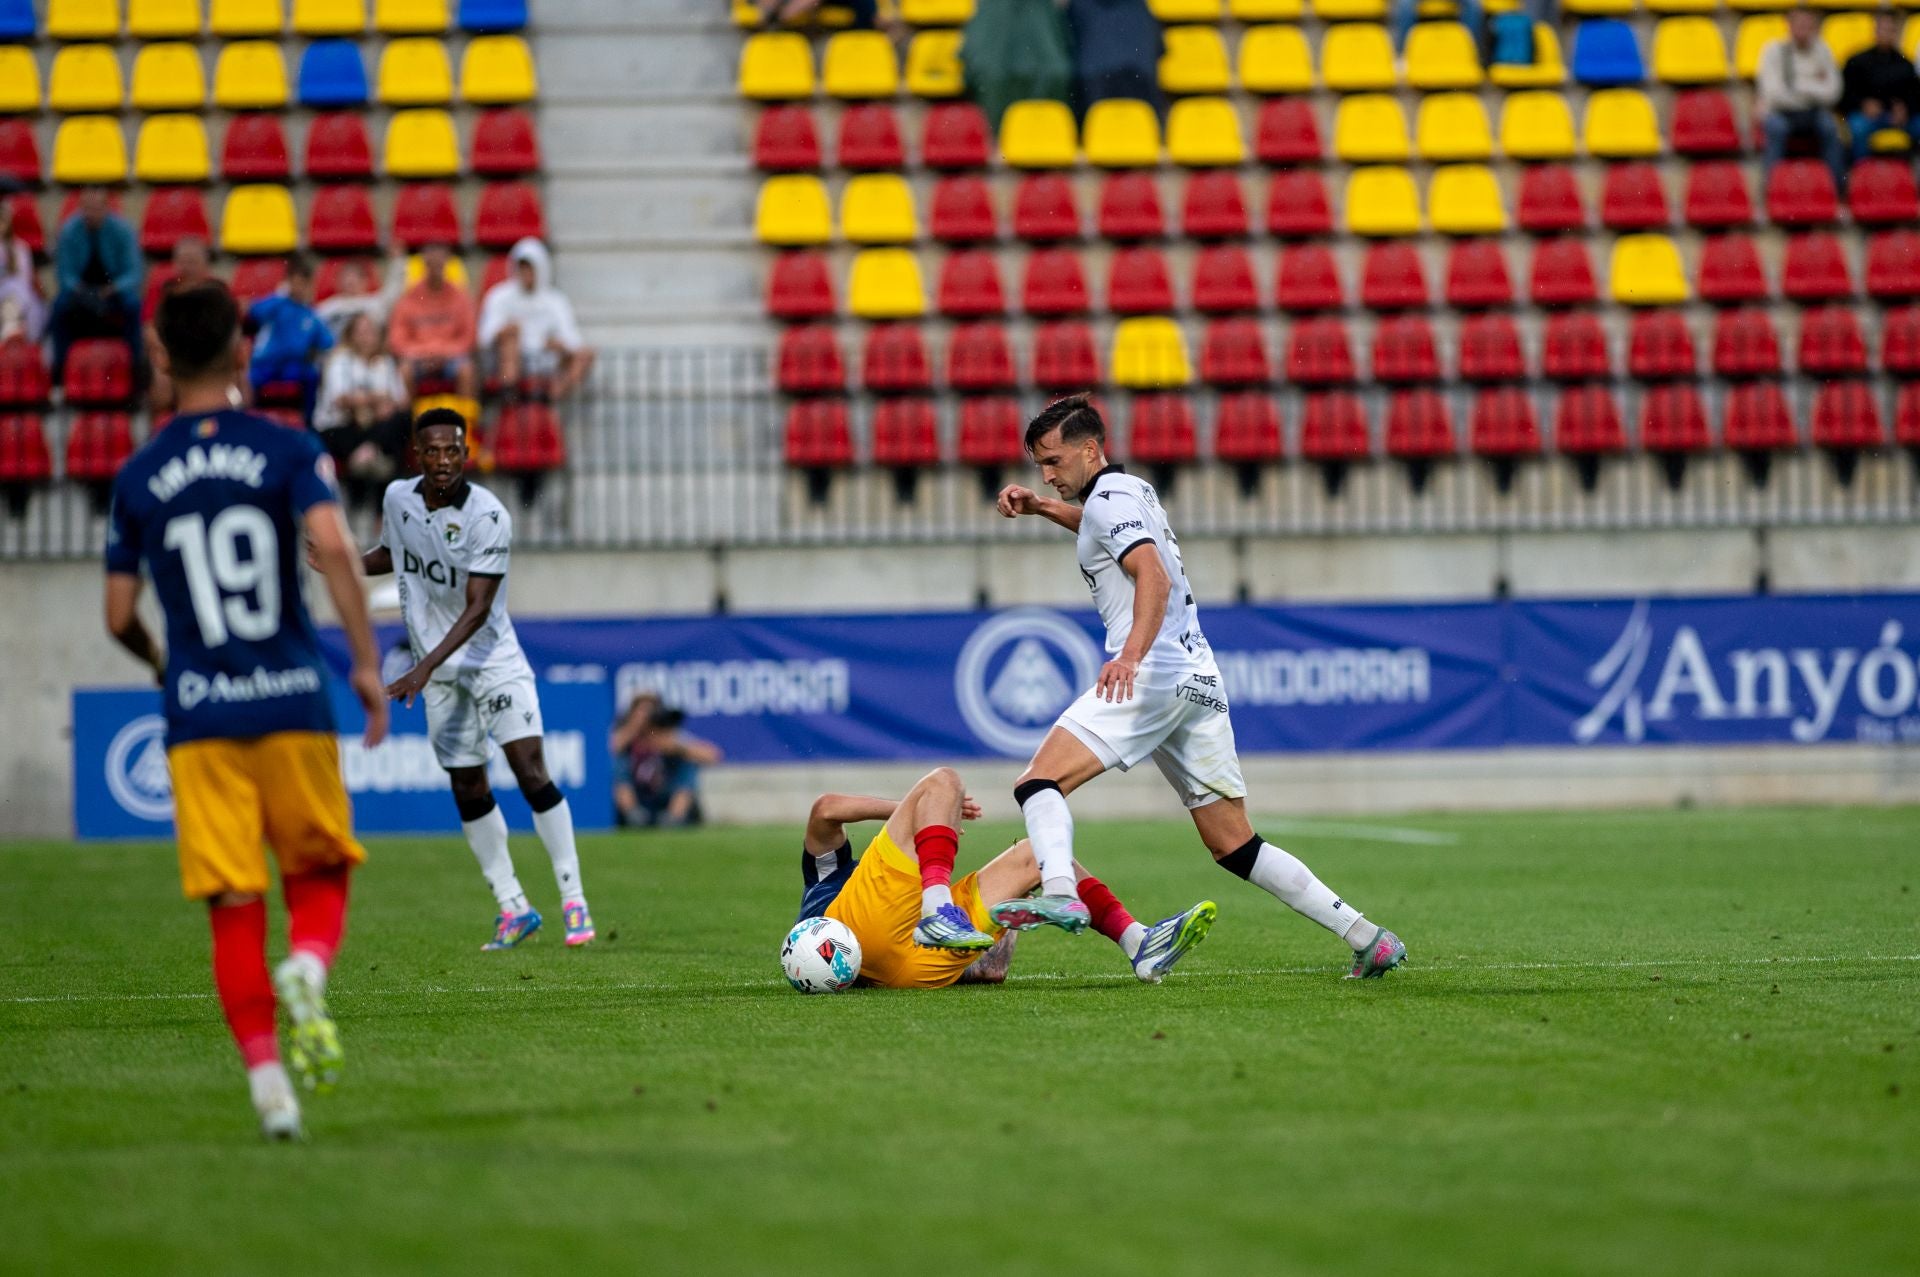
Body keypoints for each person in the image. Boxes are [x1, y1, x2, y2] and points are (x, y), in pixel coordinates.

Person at [102, 279, 390, 1141]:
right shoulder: (287, 447)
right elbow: (334, 545)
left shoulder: (139, 473)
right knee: (319, 870)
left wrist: (164, 664)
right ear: (242, 353)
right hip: (292, 697)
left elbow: (117, 615)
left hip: (199, 715)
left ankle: (269, 1087)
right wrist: (368, 666)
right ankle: (307, 963)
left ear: (157, 356)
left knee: (233, 901)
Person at [993, 394, 1407, 980]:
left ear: (1091, 450)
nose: (1047, 473)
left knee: (1038, 781)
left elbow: (1153, 576)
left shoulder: (1110, 502)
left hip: (1154, 672)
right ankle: (1368, 937)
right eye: (1040, 466)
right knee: (1234, 844)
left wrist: (1129, 658)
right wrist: (1041, 506)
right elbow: (1101, 531)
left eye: (1054, 462)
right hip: (1198, 676)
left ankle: (1060, 890)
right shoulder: (1127, 493)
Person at [354, 406, 595, 950]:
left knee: (530, 770)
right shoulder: (397, 499)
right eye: (433, 451)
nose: (443, 461)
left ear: (466, 452)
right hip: (437, 674)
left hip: (491, 661)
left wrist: (423, 665)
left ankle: (574, 899)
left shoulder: (489, 515)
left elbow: (478, 609)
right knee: (467, 783)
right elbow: (392, 554)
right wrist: (343, 560)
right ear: (418, 454)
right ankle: (512, 906)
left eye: (452, 450)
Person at [795, 766, 1218, 989]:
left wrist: (994, 940)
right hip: (865, 928)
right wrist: (913, 807)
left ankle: (1139, 942)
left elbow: (827, 811)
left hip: (912, 972)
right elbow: (826, 807)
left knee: (1042, 856)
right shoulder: (829, 885)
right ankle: (938, 909)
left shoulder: (831, 873)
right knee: (944, 782)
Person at [476, 238, 595, 400]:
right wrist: (505, 331)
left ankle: (549, 399)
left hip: (546, 361)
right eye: (522, 268)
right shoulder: (499, 296)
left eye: (531, 268)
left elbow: (573, 340)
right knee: (510, 338)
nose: (526, 274)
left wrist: (560, 345)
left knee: (586, 355)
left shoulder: (556, 300)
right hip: (509, 361)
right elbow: (484, 337)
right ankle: (509, 396)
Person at [48, 186, 144, 382]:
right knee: (59, 308)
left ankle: (136, 369)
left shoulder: (123, 231)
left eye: (96, 208)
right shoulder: (69, 230)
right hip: (80, 291)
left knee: (133, 306)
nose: (90, 214)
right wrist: (81, 290)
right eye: (86, 208)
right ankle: (59, 372)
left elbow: (133, 273)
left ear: (106, 208)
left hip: (113, 291)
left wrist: (112, 289)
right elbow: (64, 274)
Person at [315, 312, 410, 507]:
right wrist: (378, 400)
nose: (366, 337)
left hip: (373, 428)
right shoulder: (340, 360)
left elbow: (401, 401)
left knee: (403, 419)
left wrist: (387, 407)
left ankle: (368, 451)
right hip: (341, 426)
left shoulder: (386, 363)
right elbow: (341, 400)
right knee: (385, 452)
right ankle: (369, 455)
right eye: (361, 332)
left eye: (370, 332)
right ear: (351, 335)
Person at [1757, 6, 1846, 191]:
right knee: (1775, 128)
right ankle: (1772, 189)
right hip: (1781, 113)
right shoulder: (1773, 51)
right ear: (1788, 25)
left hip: (1814, 112)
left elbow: (1834, 92)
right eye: (1799, 24)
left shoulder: (1823, 50)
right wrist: (1814, 87)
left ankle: (1835, 190)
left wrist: (1797, 88)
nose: (1804, 29)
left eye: (1808, 25)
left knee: (1831, 127)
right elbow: (1773, 95)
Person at [245, 254, 334, 427]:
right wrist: (281, 294)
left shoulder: (310, 314)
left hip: (295, 366)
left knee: (312, 375)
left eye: (303, 283)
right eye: (295, 282)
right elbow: (255, 311)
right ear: (289, 282)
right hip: (266, 364)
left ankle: (309, 423)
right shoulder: (277, 305)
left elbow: (327, 341)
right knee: (250, 379)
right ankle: (249, 423)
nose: (299, 288)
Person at [611, 693, 723, 828]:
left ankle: (673, 818)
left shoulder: (668, 734)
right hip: (637, 794)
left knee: (688, 765)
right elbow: (604, 752)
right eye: (642, 711)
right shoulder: (627, 735)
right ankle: (633, 817)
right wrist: (634, 727)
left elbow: (713, 756)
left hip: (665, 794)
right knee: (617, 764)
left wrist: (677, 747)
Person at [387, 243, 476, 401]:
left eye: (439, 264)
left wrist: (442, 353)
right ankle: (406, 422)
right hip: (418, 359)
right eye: (431, 264)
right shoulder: (409, 298)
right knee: (403, 371)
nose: (436, 269)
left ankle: (466, 422)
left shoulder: (460, 298)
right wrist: (425, 354)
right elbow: (397, 339)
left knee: (466, 370)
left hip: (450, 358)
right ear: (424, 266)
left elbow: (468, 337)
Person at [143, 237, 215, 414]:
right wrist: (164, 351)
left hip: (204, 355)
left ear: (205, 265)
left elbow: (221, 332)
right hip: (170, 353)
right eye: (182, 262)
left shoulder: (215, 291)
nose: (186, 267)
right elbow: (148, 327)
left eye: (192, 262)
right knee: (160, 377)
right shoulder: (161, 287)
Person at [1839, 9, 1920, 165]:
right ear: (1875, 30)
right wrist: (1863, 104)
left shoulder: (1905, 64)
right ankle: (1861, 175)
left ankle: (1913, 177)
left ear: (1896, 33)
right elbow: (1844, 94)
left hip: (1899, 118)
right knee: (1858, 127)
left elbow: (1915, 94)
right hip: (1867, 117)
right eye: (1883, 29)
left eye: (1891, 30)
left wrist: (1905, 109)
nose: (1886, 34)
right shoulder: (1856, 61)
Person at [315, 251, 406, 342]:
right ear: (337, 281)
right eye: (345, 277)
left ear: (365, 280)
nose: (349, 281)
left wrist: (397, 260)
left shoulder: (376, 303)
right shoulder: (328, 307)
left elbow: (394, 289)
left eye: (354, 276)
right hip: (337, 352)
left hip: (370, 351)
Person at [0, 197, 43, 343]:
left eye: (2, 221)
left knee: (15, 294)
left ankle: (12, 331)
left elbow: (23, 282)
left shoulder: (20, 248)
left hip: (16, 301)